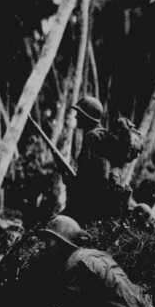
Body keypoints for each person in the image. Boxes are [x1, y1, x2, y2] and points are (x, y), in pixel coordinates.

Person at [32, 214, 153, 307]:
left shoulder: (74, 263)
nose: (45, 246)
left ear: (63, 242)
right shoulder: (94, 254)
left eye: (49, 240)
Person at [63, 96, 131, 224]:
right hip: (104, 204)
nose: (76, 117)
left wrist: (70, 182)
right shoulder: (102, 134)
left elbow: (86, 177)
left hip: (90, 204)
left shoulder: (91, 137)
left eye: (79, 113)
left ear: (87, 116)